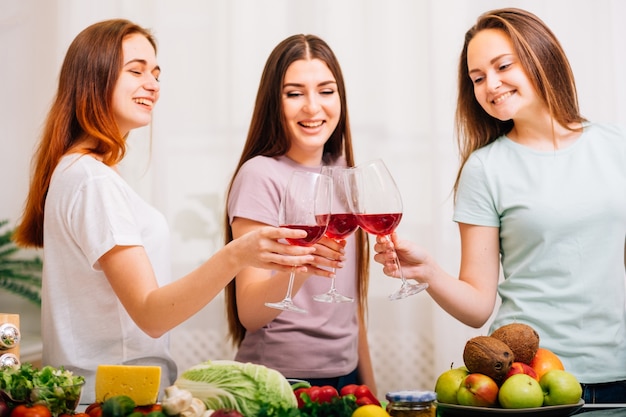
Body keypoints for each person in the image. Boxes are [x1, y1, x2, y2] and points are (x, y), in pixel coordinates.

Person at [12, 19, 317, 403]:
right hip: (110, 399)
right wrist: (238, 254)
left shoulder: (85, 172)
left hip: (114, 396)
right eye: (136, 70)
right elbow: (151, 315)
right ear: (93, 77)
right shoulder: (92, 180)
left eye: (156, 73)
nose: (154, 84)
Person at [373, 8, 626, 403]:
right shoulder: (485, 168)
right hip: (526, 378)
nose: (490, 84)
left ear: (542, 56)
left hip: (618, 370)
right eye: (477, 78)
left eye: (502, 65)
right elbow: (477, 305)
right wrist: (428, 272)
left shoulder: (615, 146)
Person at [223, 34, 376, 394]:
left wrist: (370, 388)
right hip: (281, 380)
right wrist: (306, 265)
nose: (312, 107)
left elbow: (351, 306)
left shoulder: (342, 172)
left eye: (326, 91)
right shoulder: (260, 175)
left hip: (346, 376)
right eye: (295, 93)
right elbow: (250, 311)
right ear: (274, 103)